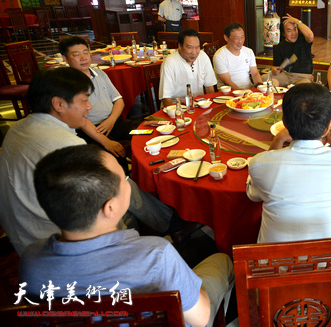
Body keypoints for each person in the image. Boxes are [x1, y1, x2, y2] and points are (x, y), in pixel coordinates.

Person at [20, 145, 234, 327]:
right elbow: (200, 317)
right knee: (223, 260)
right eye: (124, 179)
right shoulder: (156, 255)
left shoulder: (30, 261)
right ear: (110, 208)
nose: (128, 182)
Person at [0, 68, 177, 255]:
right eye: (84, 100)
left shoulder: (18, 127)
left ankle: (163, 222)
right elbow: (100, 204)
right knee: (120, 188)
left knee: (121, 188)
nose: (89, 107)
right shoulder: (66, 144)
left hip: (21, 233)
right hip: (56, 240)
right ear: (59, 104)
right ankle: (155, 233)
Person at [247, 83, 331, 243]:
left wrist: (279, 138)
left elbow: (253, 195)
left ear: (284, 122)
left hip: (274, 266)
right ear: (328, 127)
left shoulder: (260, 164)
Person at [58, 36, 138, 165]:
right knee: (113, 155)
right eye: (76, 55)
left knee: (145, 132)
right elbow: (80, 120)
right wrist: (105, 141)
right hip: (91, 130)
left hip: (113, 123)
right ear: (65, 59)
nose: (83, 58)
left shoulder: (99, 73)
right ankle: (124, 180)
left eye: (85, 53)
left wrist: (111, 121)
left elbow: (119, 100)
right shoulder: (66, 83)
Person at [159, 29, 217, 107]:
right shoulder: (169, 62)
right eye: (189, 47)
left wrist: (210, 107)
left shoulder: (203, 56)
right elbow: (166, 98)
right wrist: (176, 114)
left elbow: (209, 87)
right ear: (179, 46)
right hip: (177, 107)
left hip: (199, 105)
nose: (194, 52)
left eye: (197, 47)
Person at [214, 22, 262, 90]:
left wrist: (260, 87)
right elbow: (227, 81)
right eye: (236, 38)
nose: (240, 41)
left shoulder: (249, 52)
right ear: (226, 38)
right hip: (229, 93)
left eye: (242, 37)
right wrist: (243, 93)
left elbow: (255, 73)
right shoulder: (219, 56)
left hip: (248, 90)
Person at [271, 13, 315, 87]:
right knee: (267, 80)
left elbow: (310, 35)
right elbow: (277, 67)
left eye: (295, 29)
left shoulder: (303, 39)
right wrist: (275, 70)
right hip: (286, 75)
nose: (293, 33)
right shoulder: (279, 47)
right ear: (283, 34)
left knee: (304, 86)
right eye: (289, 31)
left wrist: (296, 21)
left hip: (303, 77)